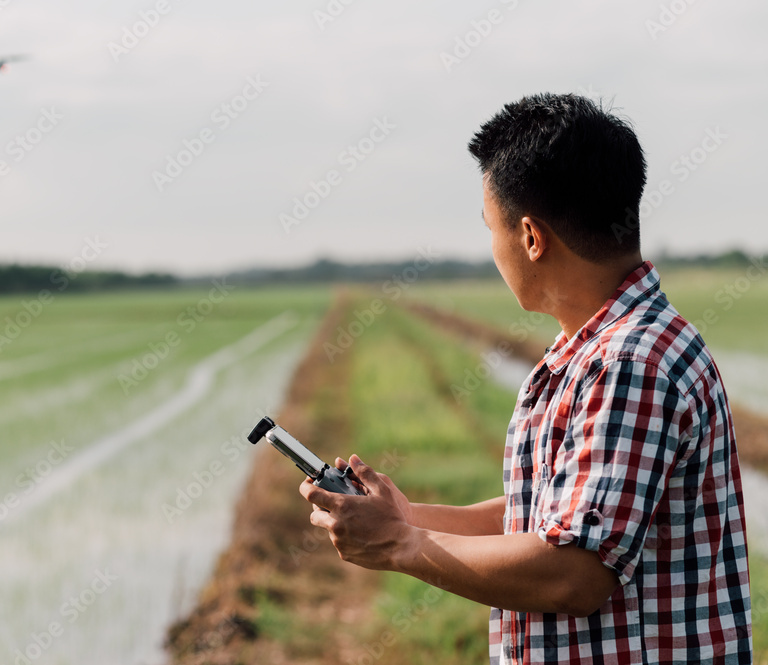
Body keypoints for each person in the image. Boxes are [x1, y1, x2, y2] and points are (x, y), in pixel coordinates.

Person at [300, 93, 753, 664]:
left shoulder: (629, 364)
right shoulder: (588, 350)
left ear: (532, 238)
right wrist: (405, 517)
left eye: (492, 227)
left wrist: (400, 544)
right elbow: (548, 520)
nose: (492, 247)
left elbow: (574, 574)